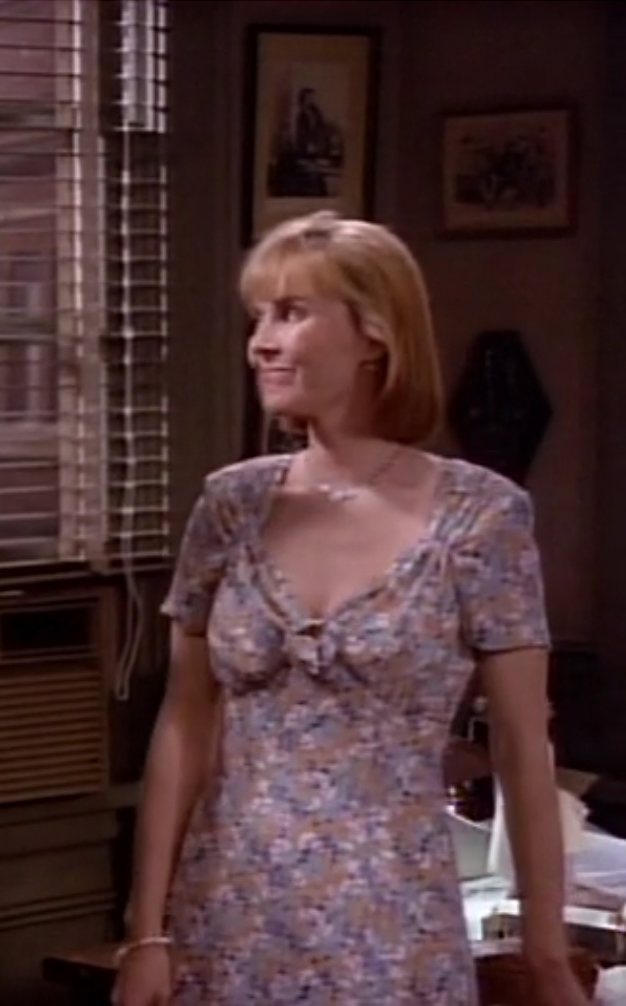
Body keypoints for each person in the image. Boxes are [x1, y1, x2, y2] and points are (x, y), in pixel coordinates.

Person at [113, 211, 588, 1005]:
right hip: (225, 919)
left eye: (291, 314)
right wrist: (146, 932)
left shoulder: (479, 516)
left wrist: (545, 955)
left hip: (390, 927)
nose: (261, 343)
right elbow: (184, 725)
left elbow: (520, 746)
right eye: (258, 318)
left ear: (374, 335)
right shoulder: (231, 505)